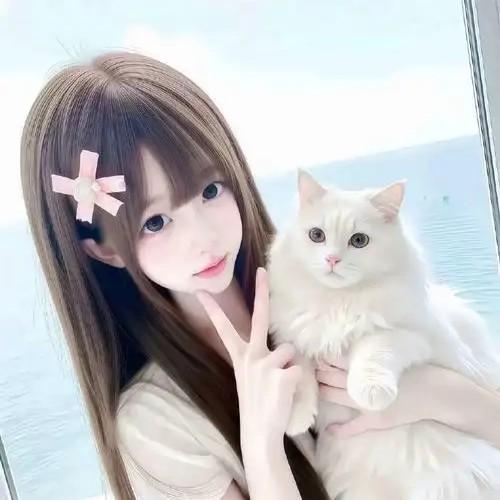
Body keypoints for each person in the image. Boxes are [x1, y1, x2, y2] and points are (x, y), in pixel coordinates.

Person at [19, 51, 500, 500]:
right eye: (157, 221)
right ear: (105, 250)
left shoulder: (329, 280)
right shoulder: (155, 426)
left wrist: (438, 396)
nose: (203, 237)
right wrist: (262, 446)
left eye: (209, 190)